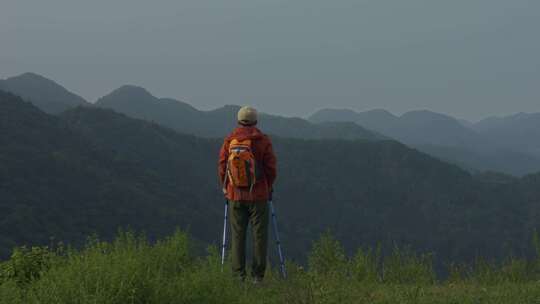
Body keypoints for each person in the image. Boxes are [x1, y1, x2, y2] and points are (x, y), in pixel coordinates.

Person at [218, 106, 277, 282]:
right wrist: (269, 186)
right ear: (255, 121)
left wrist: (224, 186)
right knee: (259, 236)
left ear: (238, 120)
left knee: (238, 235)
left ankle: (238, 275)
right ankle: (257, 277)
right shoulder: (263, 140)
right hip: (258, 195)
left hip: (235, 195)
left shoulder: (230, 140)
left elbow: (222, 165)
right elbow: (271, 168)